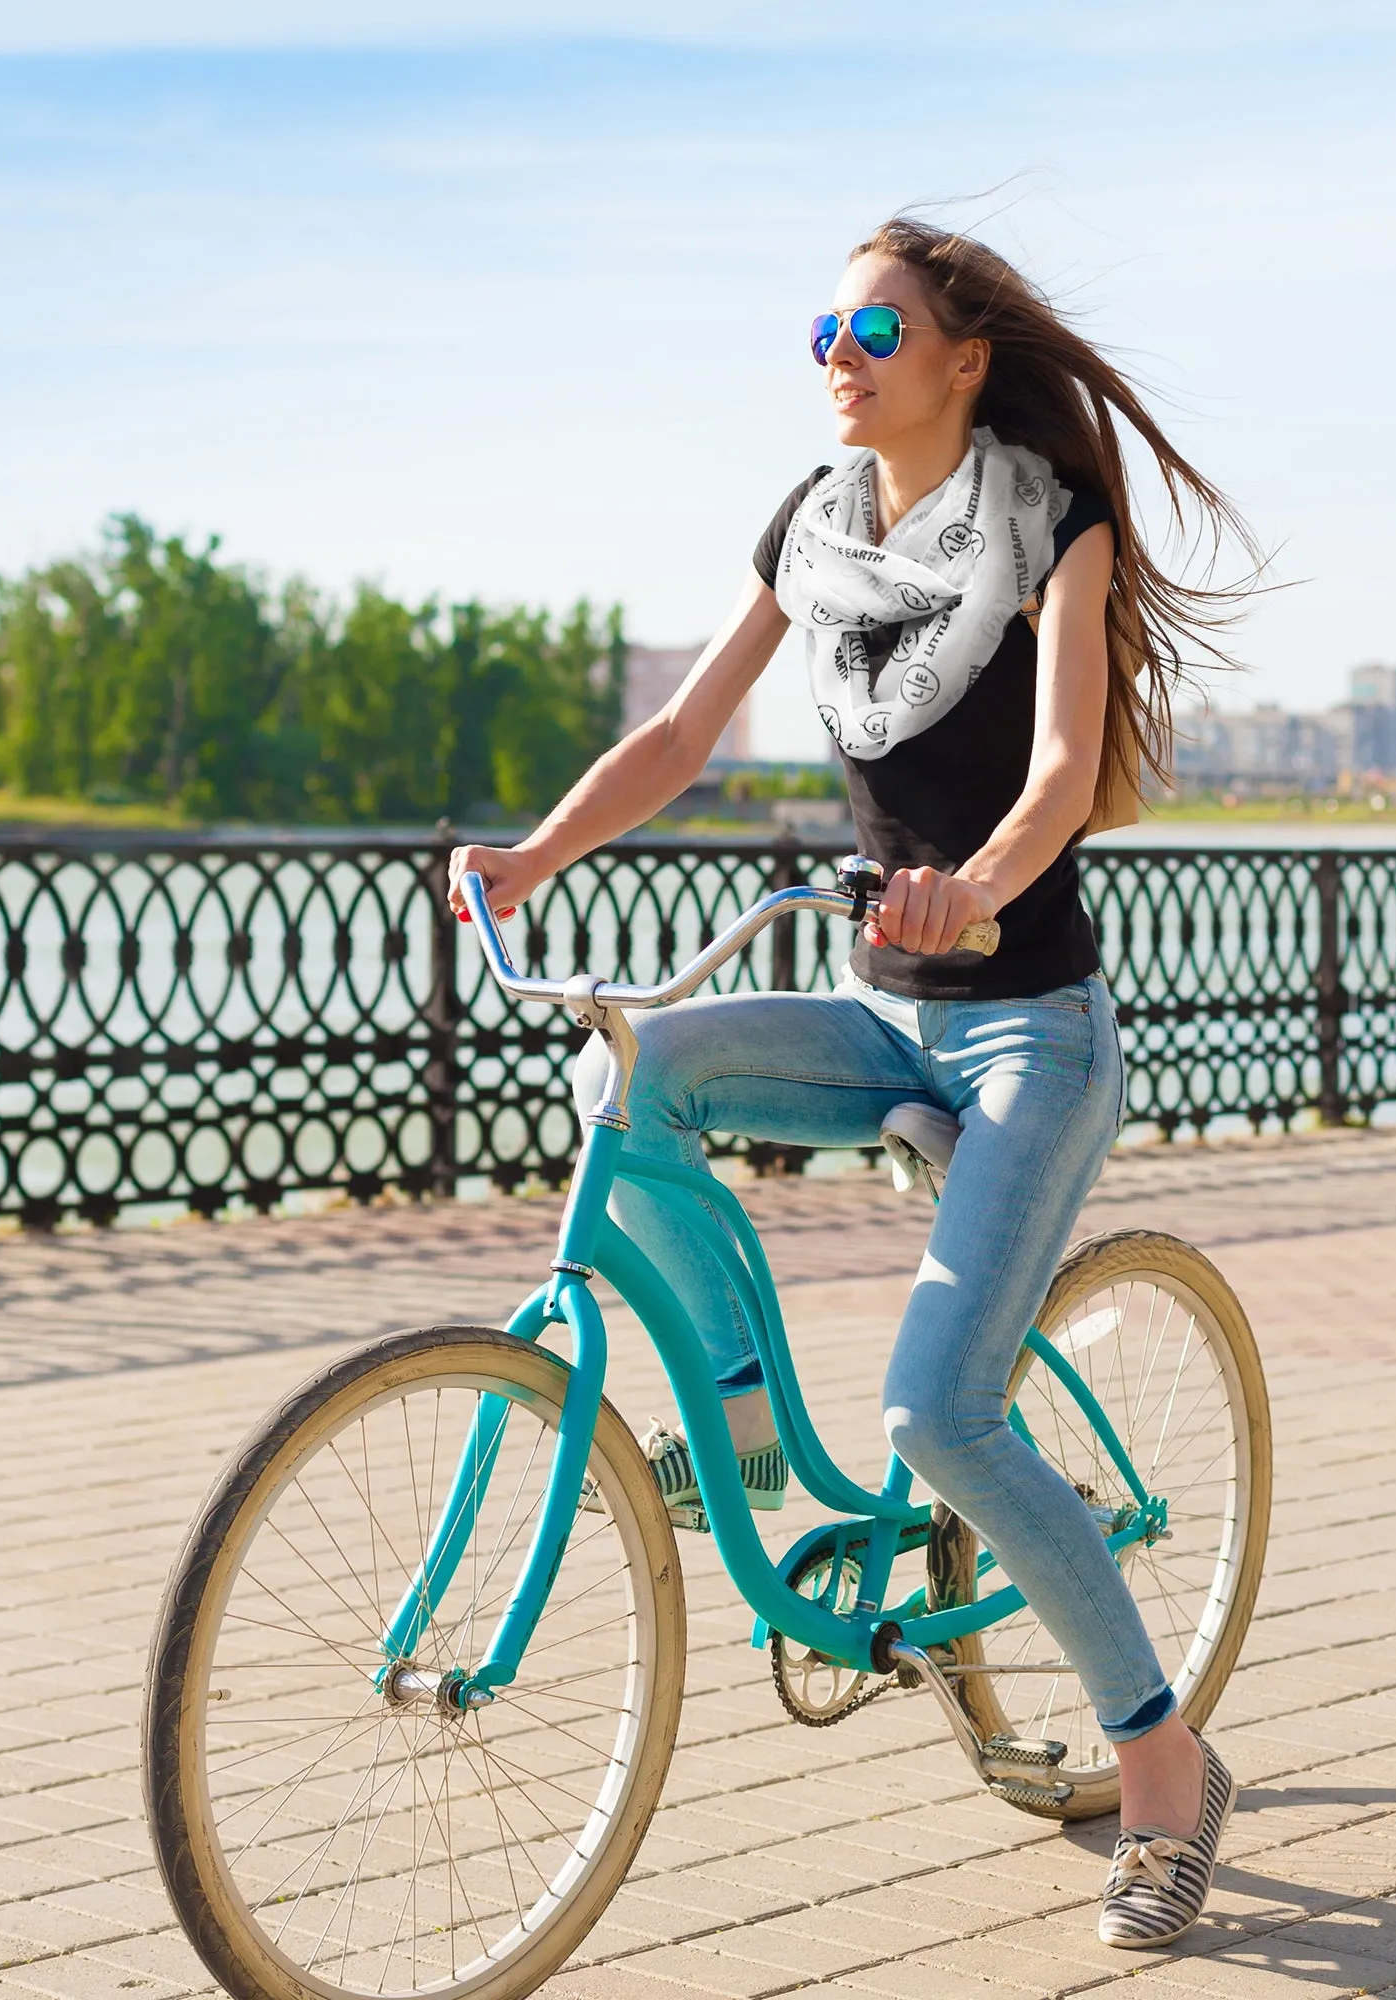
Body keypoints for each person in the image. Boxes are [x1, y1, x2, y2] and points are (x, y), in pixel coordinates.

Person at [446, 217, 1259, 1949]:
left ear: (964, 359)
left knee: (935, 1416)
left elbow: (1055, 773)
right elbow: (679, 740)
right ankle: (731, 1454)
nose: (840, 350)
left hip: (1029, 1026)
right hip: (879, 1010)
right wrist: (533, 859)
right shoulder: (813, 529)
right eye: (825, 322)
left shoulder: (1053, 525)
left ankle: (1167, 1767)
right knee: (646, 1073)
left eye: (877, 326)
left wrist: (979, 884)